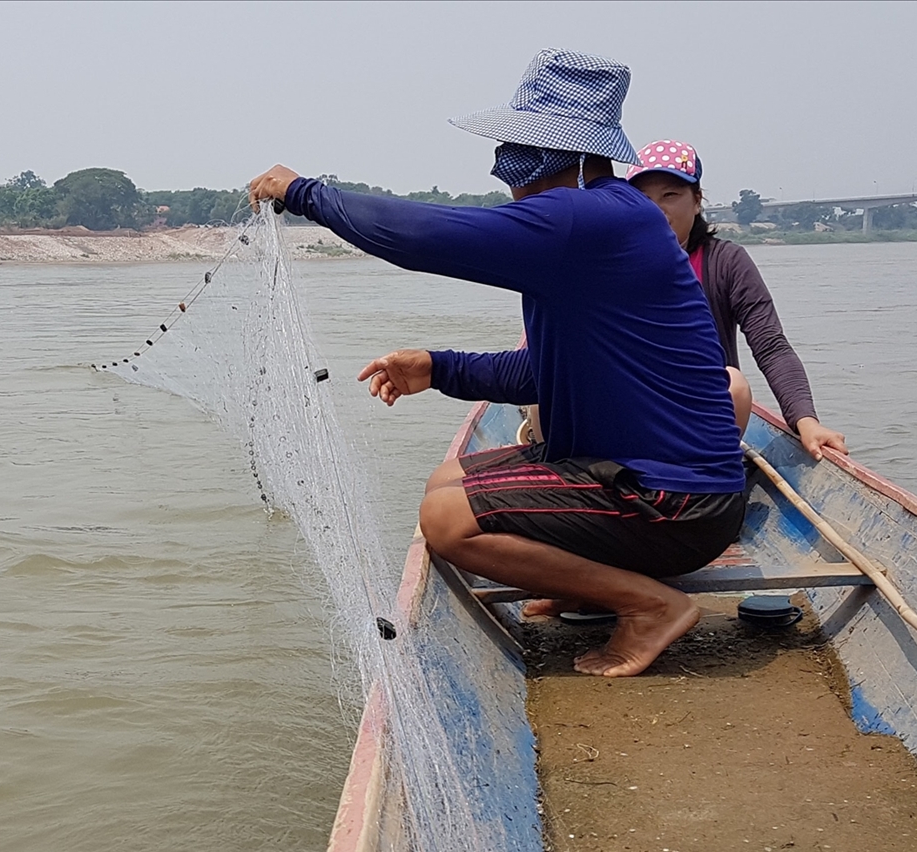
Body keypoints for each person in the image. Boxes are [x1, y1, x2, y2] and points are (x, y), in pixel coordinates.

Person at [248, 50, 745, 678]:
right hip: (640, 476)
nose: (506, 157)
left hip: (675, 499)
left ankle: (649, 605)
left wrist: (306, 194)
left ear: (563, 150)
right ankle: (587, 580)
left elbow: (425, 236)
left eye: (522, 141)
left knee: (446, 519)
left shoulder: (584, 217)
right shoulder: (608, 216)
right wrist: (440, 367)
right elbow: (542, 372)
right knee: (445, 481)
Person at [628, 140, 848, 461]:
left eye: (670, 195)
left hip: (703, 411)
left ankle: (705, 472)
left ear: (697, 201)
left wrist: (806, 420)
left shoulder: (726, 263)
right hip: (634, 408)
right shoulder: (615, 263)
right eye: (643, 199)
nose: (657, 209)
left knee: (734, 384)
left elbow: (770, 346)